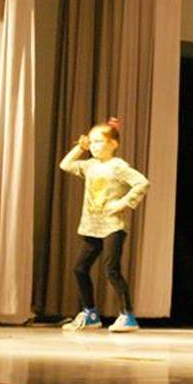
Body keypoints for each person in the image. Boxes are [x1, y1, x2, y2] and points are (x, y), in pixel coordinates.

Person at [60, 118, 151, 333]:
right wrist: (80, 148)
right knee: (80, 268)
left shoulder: (118, 166)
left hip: (112, 226)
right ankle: (90, 313)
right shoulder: (90, 165)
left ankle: (127, 315)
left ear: (113, 144)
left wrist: (123, 203)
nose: (94, 146)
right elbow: (65, 165)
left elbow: (142, 183)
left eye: (99, 141)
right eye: (91, 142)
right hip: (92, 226)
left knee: (111, 269)